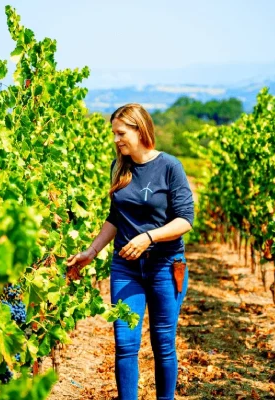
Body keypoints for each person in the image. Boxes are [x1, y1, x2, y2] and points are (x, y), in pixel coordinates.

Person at [66, 103, 194, 400]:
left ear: (140, 129)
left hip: (165, 265)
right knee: (125, 343)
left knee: (163, 343)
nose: (116, 139)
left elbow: (185, 220)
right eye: (114, 133)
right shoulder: (120, 167)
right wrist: (91, 251)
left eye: (121, 133)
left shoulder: (169, 167)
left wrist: (149, 237)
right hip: (125, 268)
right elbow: (115, 218)